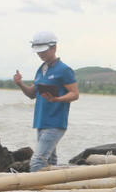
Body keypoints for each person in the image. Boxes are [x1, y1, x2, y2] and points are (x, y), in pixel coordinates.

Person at [13, 30, 80, 172]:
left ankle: (34, 191)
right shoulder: (41, 69)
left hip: (55, 123)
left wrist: (57, 99)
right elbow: (32, 94)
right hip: (41, 122)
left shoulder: (64, 70)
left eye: (43, 51)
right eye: (38, 52)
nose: (40, 54)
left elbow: (74, 94)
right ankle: (52, 190)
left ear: (54, 47)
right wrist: (20, 83)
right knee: (49, 161)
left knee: (37, 161)